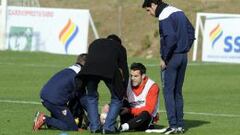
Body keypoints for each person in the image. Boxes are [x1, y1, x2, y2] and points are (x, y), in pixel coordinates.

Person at [142, 0, 195, 134]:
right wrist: (185, 48)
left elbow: (170, 38)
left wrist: (165, 58)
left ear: (154, 4)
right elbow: (191, 32)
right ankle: (180, 125)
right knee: (177, 92)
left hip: (172, 58)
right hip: (183, 57)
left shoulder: (164, 15)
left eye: (148, 10)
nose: (149, 13)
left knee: (168, 92)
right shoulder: (179, 11)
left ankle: (172, 125)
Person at [76, 34, 129, 134]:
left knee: (91, 96)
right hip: (109, 70)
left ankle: (95, 127)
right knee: (117, 98)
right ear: (118, 43)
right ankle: (108, 127)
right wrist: (123, 88)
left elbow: (90, 59)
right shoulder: (120, 47)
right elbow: (124, 69)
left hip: (89, 70)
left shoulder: (95, 43)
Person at [33, 53, 87, 131]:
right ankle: (45, 119)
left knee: (64, 122)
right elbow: (80, 97)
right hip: (55, 101)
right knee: (72, 128)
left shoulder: (69, 69)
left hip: (45, 95)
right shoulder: (79, 75)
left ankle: (50, 122)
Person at [118, 62, 160, 132]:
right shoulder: (127, 83)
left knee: (145, 113)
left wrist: (129, 110)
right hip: (131, 115)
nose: (132, 78)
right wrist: (109, 107)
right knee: (121, 103)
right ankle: (106, 121)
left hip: (145, 118)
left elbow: (149, 109)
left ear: (143, 76)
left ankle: (122, 127)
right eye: (131, 75)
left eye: (136, 76)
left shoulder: (152, 86)